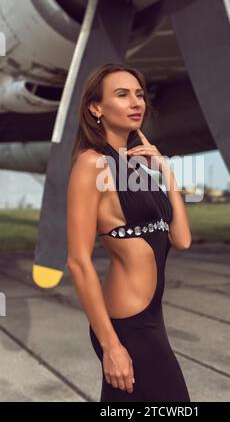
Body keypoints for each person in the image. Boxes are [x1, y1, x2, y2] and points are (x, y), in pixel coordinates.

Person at [67, 63, 192, 402]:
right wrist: (111, 346)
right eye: (121, 95)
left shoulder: (137, 167)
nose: (136, 102)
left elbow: (181, 239)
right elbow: (78, 261)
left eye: (139, 94)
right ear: (96, 107)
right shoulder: (91, 165)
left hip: (152, 317)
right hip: (127, 326)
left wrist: (166, 171)